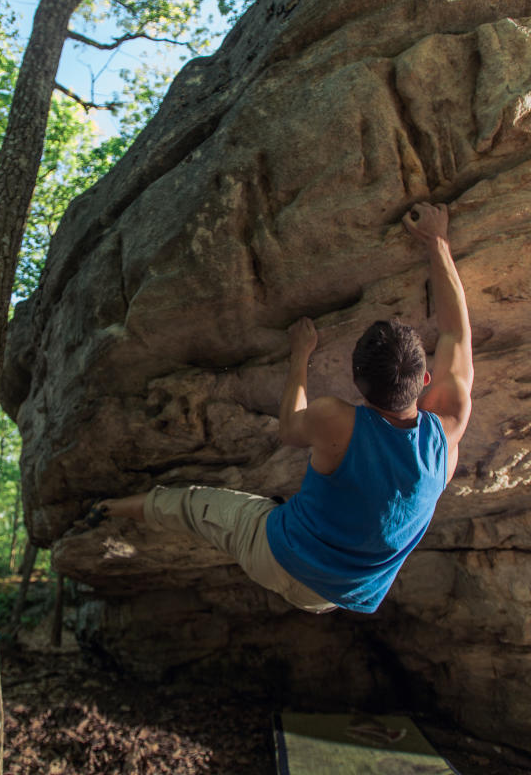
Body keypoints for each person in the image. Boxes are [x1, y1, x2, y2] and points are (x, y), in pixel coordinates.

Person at [85, 202, 473, 613]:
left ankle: (107, 507)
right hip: (336, 598)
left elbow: (289, 428)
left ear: (357, 386)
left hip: (276, 555)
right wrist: (437, 240)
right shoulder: (448, 433)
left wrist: (299, 356)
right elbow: (456, 332)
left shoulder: (337, 420)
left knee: (193, 505)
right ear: (425, 381)